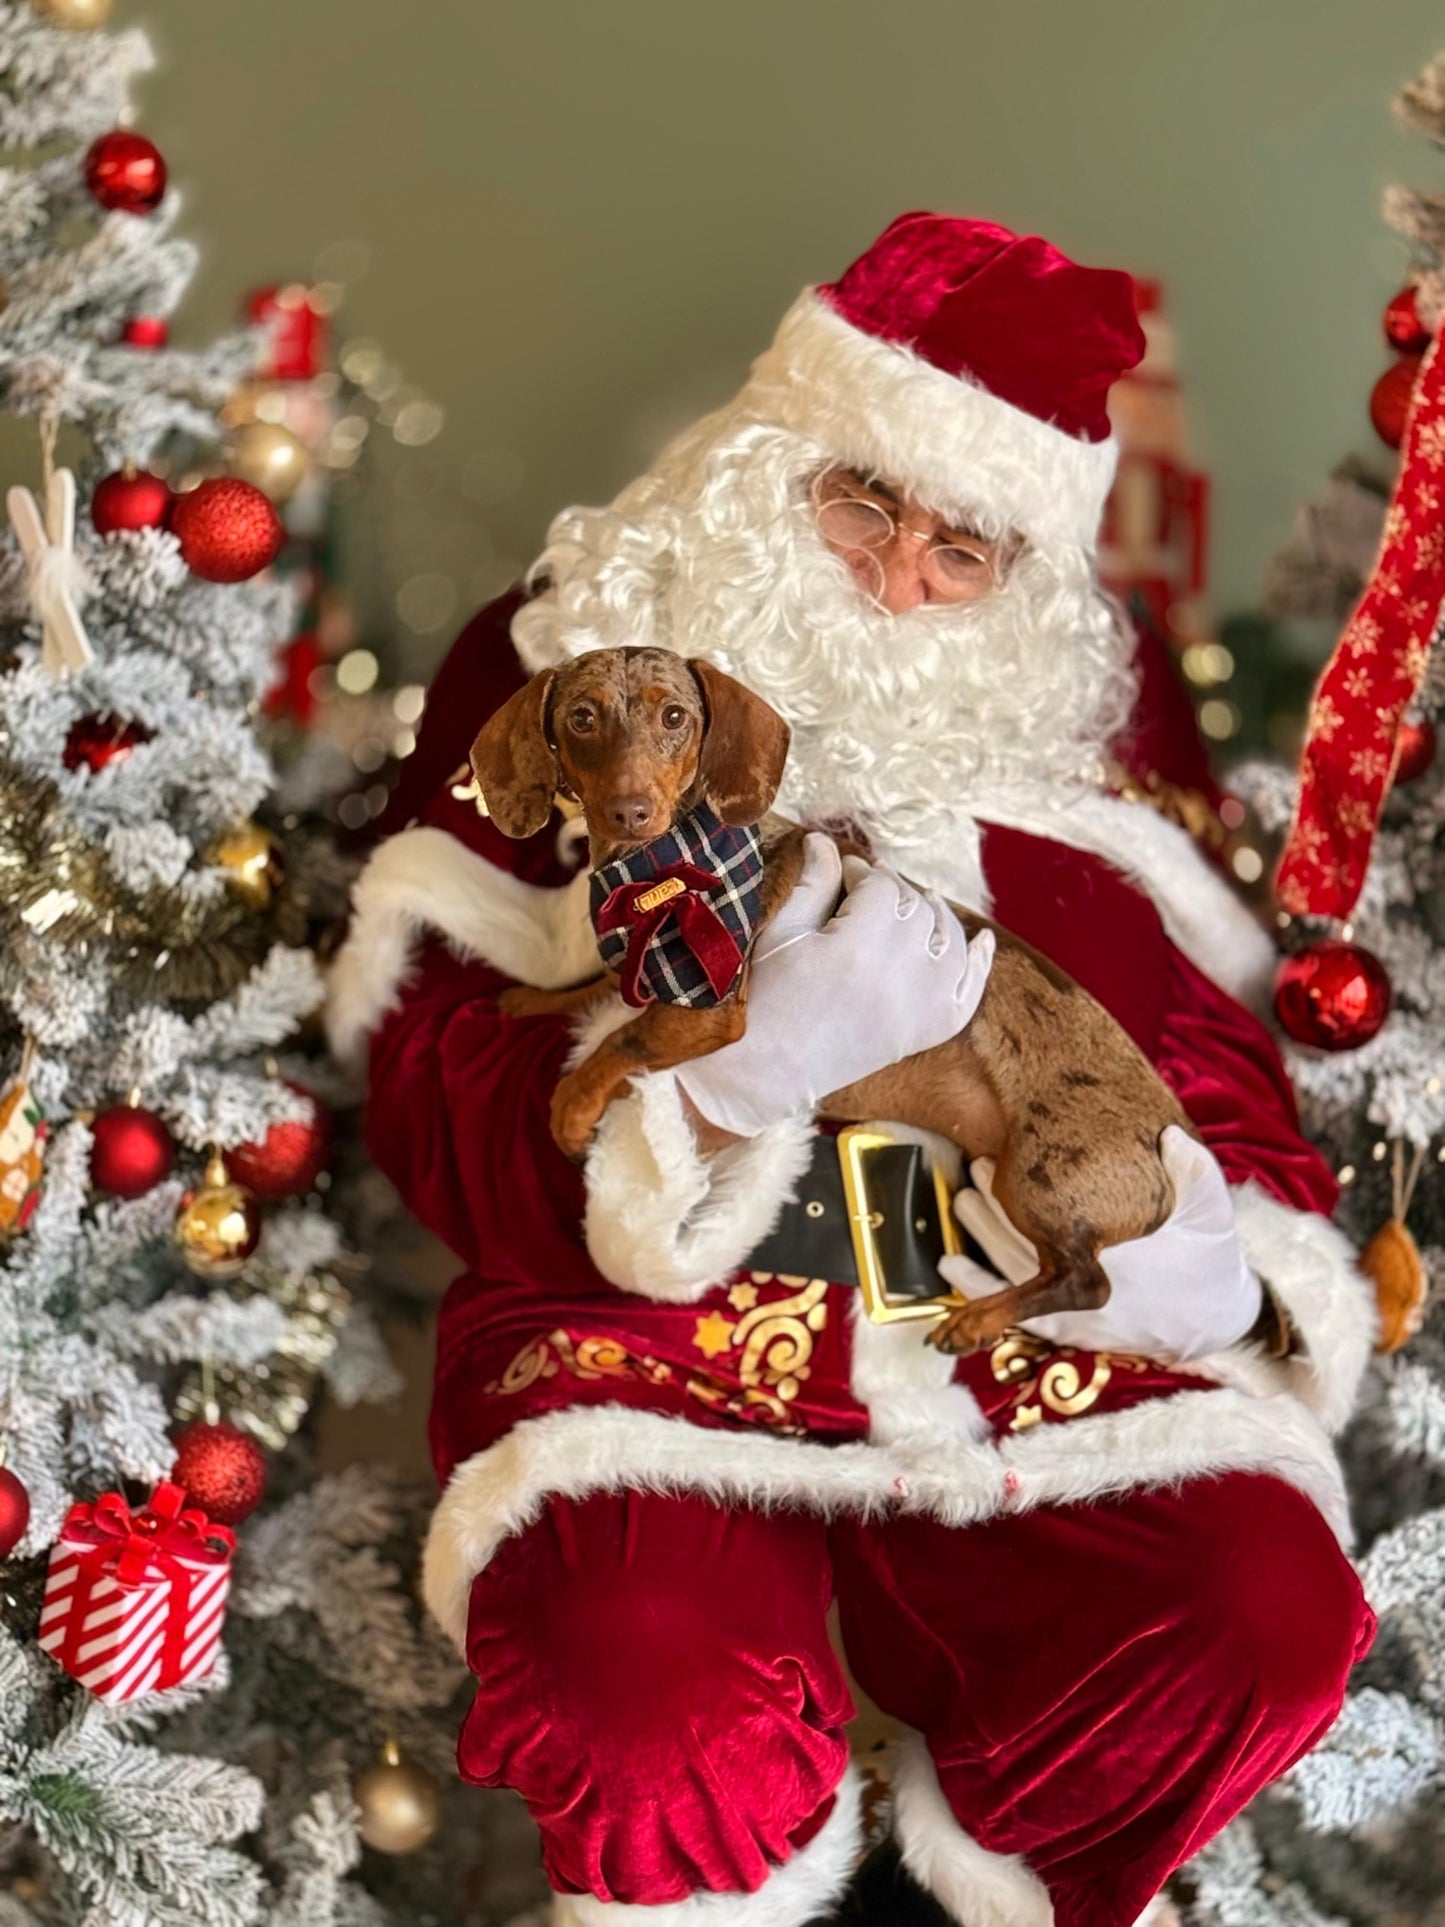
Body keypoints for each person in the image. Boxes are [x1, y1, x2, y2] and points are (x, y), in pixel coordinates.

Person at [328, 214, 1376, 1927]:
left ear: (1020, 574)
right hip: (658, 1333)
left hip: (1027, 1334)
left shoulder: (1096, 735)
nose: (898, 579)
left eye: (962, 548)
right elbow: (431, 1067)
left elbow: (1211, 1057)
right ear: (769, 462)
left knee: (1251, 1617)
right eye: (860, 504)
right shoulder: (563, 669)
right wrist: (703, 1095)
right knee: (635, 1681)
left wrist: (1217, 1259)